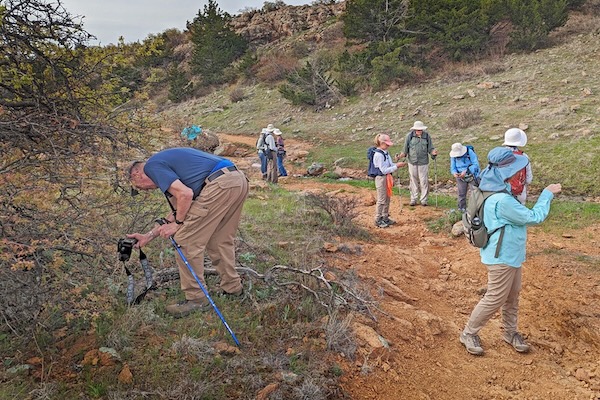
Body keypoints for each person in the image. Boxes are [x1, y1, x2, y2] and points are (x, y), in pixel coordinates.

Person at [459, 147, 561, 356]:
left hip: (509, 254)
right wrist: (547, 194)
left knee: (512, 296)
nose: (520, 175)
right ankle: (468, 333)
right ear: (507, 174)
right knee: (495, 297)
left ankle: (510, 332)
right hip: (501, 256)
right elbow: (534, 217)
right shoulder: (502, 200)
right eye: (517, 172)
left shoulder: (493, 189)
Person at [126, 147, 249, 317]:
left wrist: (178, 224)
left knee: (185, 241)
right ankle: (233, 289)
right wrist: (149, 236)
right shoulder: (169, 167)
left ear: (136, 175)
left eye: (138, 187)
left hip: (219, 185)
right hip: (236, 180)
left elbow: (185, 195)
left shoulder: (152, 167)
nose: (145, 190)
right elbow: (179, 209)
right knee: (219, 240)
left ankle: (197, 299)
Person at [399, 120, 438, 206]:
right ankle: (413, 199)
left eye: (420, 130)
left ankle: (424, 200)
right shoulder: (409, 136)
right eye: (417, 130)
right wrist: (400, 156)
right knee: (413, 180)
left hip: (423, 162)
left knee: (423, 181)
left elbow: (430, 148)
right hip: (412, 162)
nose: (419, 131)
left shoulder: (427, 136)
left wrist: (433, 153)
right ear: (414, 129)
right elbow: (405, 150)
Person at [372, 134, 406, 228]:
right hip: (381, 178)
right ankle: (378, 219)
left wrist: (396, 165)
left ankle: (385, 217)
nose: (388, 146)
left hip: (387, 178)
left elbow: (390, 165)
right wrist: (397, 166)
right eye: (387, 144)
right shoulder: (378, 155)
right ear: (381, 143)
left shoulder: (385, 153)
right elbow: (383, 170)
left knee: (387, 198)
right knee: (381, 199)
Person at [503, 128, 533, 205]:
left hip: (502, 191)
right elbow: (529, 179)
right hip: (519, 191)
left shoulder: (498, 156)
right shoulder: (524, 157)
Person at [449, 143, 480, 213]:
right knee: (461, 193)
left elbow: (476, 164)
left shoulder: (470, 152)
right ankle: (461, 209)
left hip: (472, 175)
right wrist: (454, 173)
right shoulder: (453, 156)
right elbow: (452, 166)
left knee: (475, 193)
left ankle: (476, 209)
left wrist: (466, 171)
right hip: (460, 176)